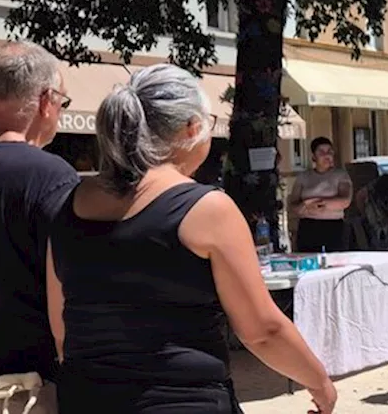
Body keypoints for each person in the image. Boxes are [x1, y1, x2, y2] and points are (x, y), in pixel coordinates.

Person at [46, 64, 335, 413]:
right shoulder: (208, 209)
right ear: (192, 128)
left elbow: (62, 330)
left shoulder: (68, 205)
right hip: (182, 401)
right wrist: (319, 382)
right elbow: (261, 330)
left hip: (87, 399)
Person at [0, 42, 78, 414]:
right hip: (23, 391)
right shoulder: (51, 178)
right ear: (46, 100)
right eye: (62, 102)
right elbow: (73, 286)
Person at [286, 137, 353, 253]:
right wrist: (305, 206)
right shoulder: (303, 177)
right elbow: (293, 205)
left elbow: (345, 200)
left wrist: (316, 203)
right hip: (308, 227)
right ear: (313, 157)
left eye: (329, 152)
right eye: (321, 152)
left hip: (333, 227)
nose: (326, 155)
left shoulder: (341, 175)